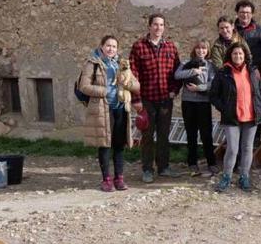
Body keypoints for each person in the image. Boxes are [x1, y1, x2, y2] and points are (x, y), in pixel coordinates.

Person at [79, 35, 141, 191]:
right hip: (102, 109)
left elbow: (137, 85)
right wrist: (104, 90)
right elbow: (83, 86)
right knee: (105, 145)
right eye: (108, 45)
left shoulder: (122, 64)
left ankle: (119, 178)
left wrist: (127, 83)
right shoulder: (92, 64)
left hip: (120, 109)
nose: (111, 49)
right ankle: (106, 179)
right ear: (101, 46)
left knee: (119, 145)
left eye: (114, 46)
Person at [129, 14, 181, 183]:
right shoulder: (138, 47)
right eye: (155, 25)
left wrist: (175, 90)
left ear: (164, 27)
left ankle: (164, 167)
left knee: (164, 136)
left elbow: (177, 72)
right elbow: (133, 75)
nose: (158, 28)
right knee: (147, 136)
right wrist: (136, 99)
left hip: (166, 99)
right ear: (149, 26)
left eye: (161, 25)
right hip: (147, 100)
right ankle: (147, 169)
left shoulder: (171, 47)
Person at [208, 43, 261, 191]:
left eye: (240, 54)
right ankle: (226, 177)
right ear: (230, 55)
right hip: (232, 117)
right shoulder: (224, 73)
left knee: (247, 148)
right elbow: (213, 95)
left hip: (251, 117)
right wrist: (224, 108)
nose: (238, 56)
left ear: (245, 55)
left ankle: (244, 176)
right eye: (235, 54)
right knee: (233, 149)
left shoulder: (253, 71)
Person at [175, 39, 218, 178]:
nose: (201, 51)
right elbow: (177, 75)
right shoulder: (185, 63)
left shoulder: (211, 65)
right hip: (188, 102)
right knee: (191, 133)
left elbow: (213, 83)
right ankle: (192, 162)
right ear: (194, 50)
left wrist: (199, 88)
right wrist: (193, 71)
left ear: (207, 51)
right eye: (198, 48)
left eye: (204, 48)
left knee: (206, 134)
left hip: (203, 102)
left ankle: (211, 162)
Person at [234, 0, 261, 81]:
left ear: (252, 14)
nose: (245, 15)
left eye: (248, 12)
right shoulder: (231, 30)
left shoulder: (260, 31)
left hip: (255, 73)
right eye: (242, 12)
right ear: (237, 13)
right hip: (234, 72)